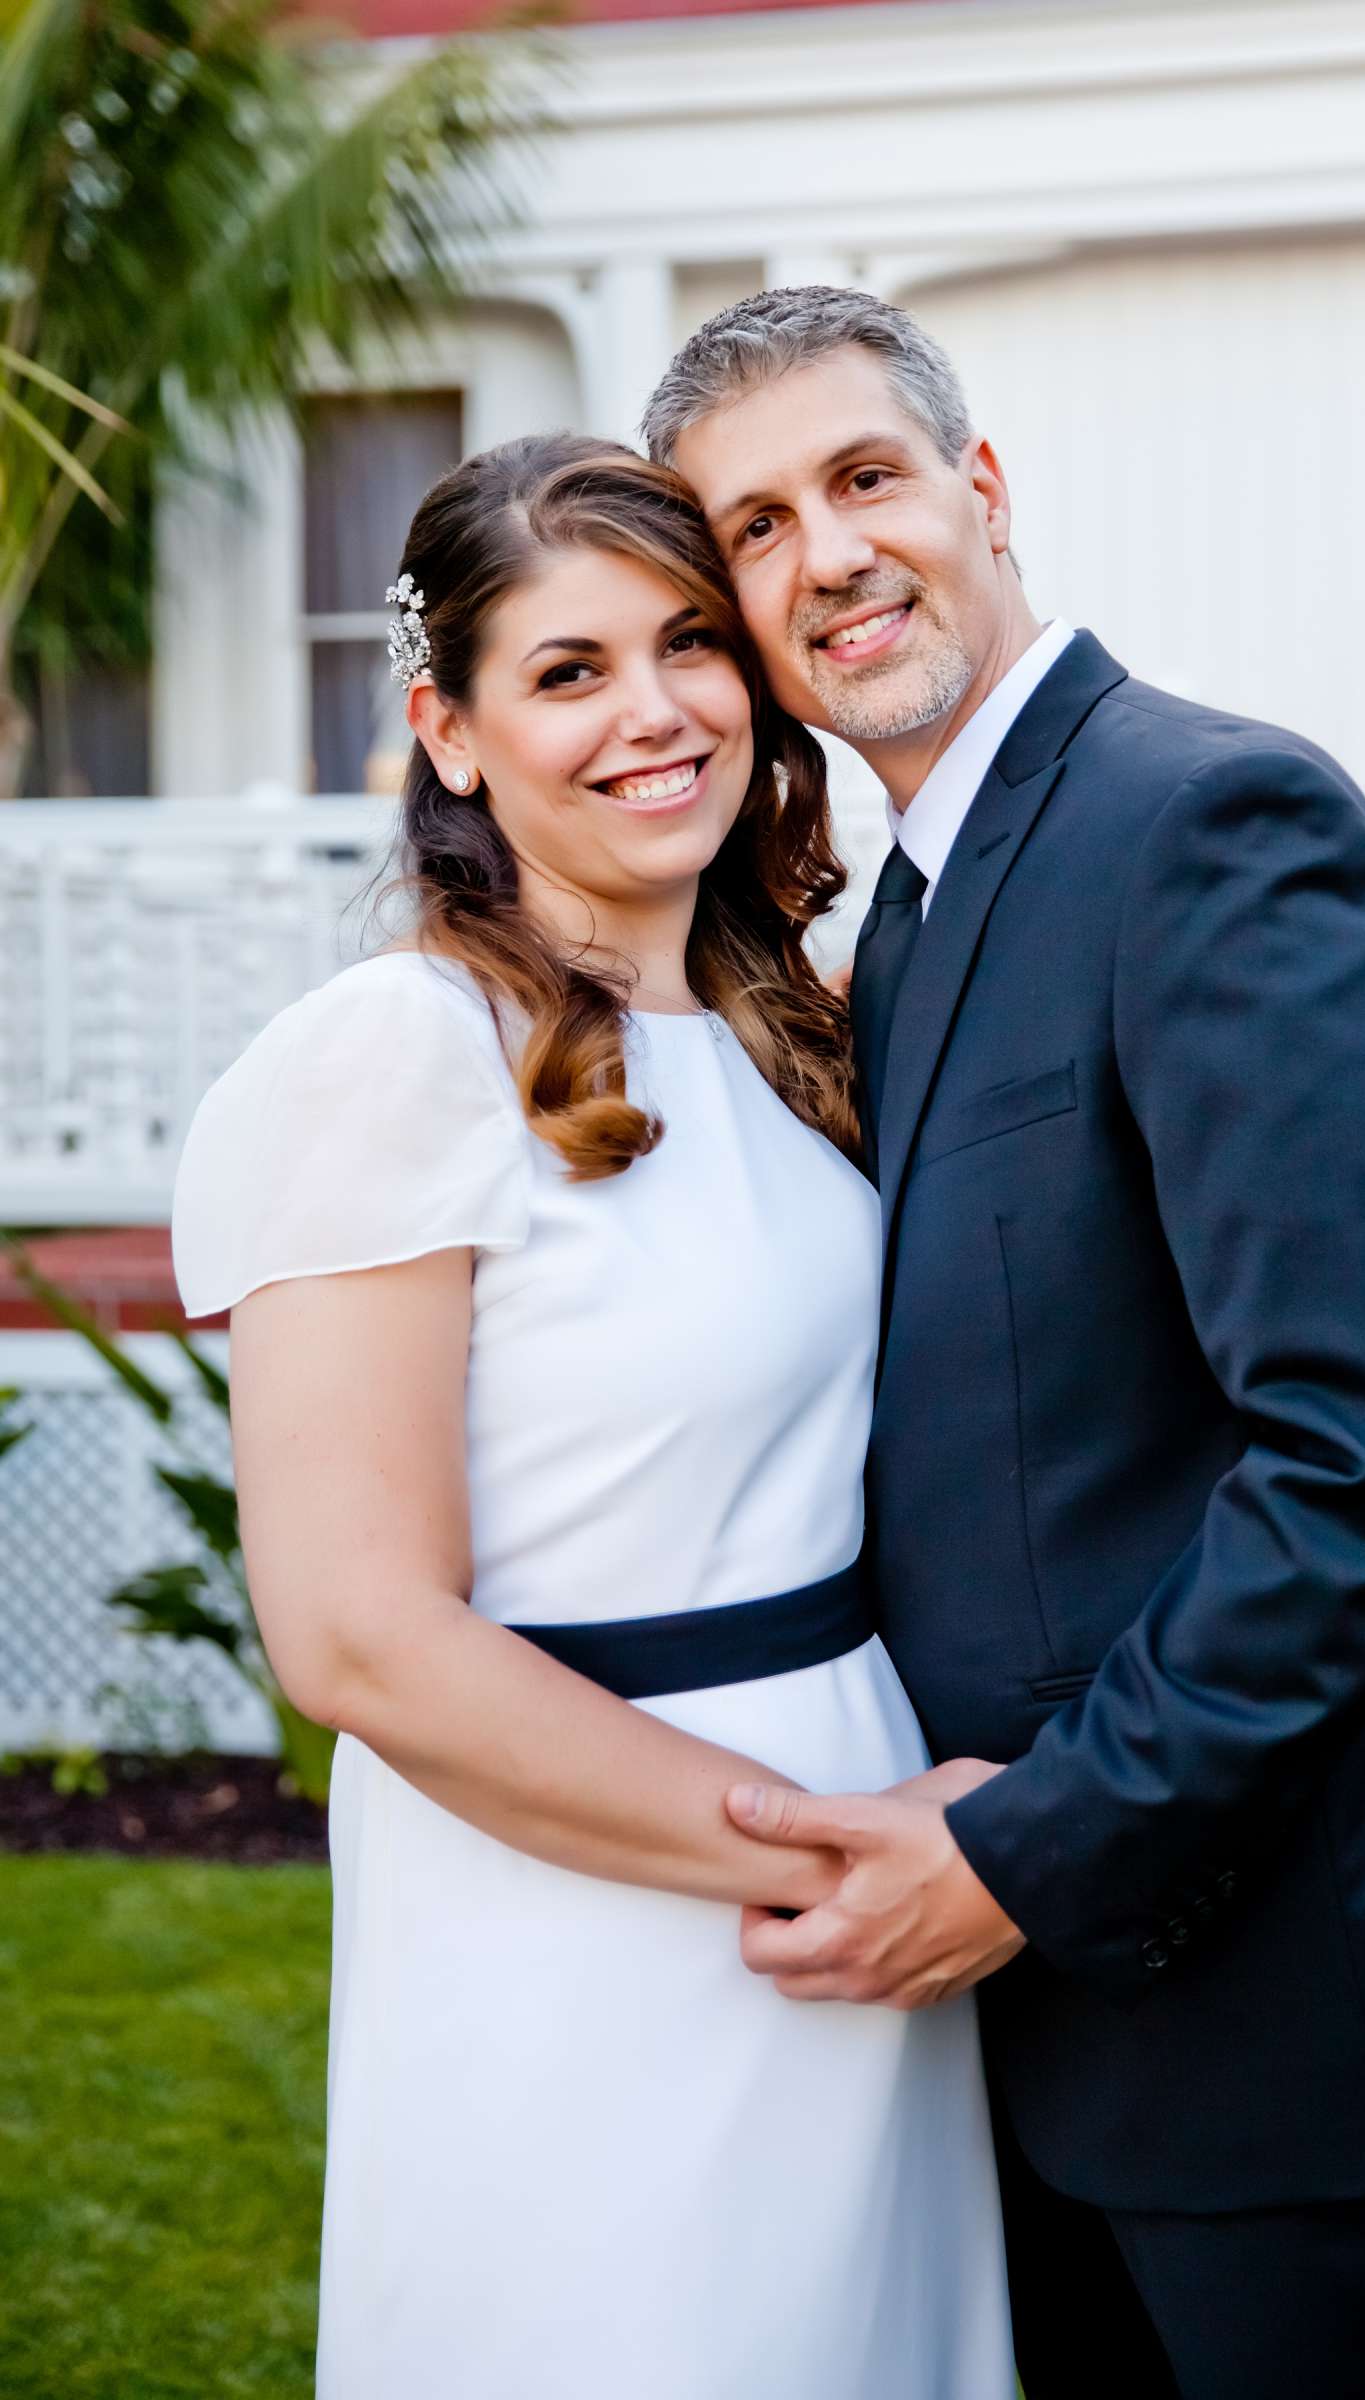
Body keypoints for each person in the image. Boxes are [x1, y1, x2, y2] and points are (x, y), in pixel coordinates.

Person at [645, 286, 1365, 2399]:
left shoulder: (1205, 825)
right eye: (756, 528)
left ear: (979, 492)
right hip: (1044, 2041)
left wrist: (1016, 1856)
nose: (828, 558)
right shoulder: (891, 914)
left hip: (1282, 2019)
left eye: (864, 478)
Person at [168, 434, 1012, 2400]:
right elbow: (356, 1631)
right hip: (596, 1897)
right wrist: (826, 1857)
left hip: (864, 1873)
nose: (652, 715)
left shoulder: (786, 1029)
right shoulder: (393, 1055)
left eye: (687, 647)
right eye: (564, 673)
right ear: (446, 733)